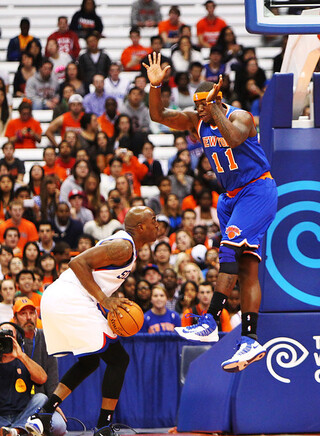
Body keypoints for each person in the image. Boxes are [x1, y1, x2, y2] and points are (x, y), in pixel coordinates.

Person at [144, 53, 278, 372]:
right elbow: (159, 114)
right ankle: (250, 339)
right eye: (198, 103)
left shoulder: (241, 116)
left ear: (218, 98)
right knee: (245, 267)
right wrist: (155, 85)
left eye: (205, 102)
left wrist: (215, 105)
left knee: (229, 248)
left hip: (257, 189)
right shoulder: (196, 120)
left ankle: (210, 320)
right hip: (230, 197)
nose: (200, 107)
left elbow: (231, 137)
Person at [25, 207, 158, 435]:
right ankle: (103, 427)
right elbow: (77, 263)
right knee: (118, 360)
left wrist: (105, 299)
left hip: (62, 299)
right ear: (141, 227)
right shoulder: (124, 246)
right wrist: (104, 300)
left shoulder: (126, 246)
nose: (158, 224)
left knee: (90, 362)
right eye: (154, 220)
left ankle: (43, 415)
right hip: (69, 299)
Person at [12, 298, 67, 436]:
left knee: (59, 425)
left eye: (32, 312)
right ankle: (25, 429)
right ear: (15, 318)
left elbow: (53, 379)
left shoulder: (46, 338)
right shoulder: (10, 341)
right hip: (15, 405)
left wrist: (54, 404)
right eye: (23, 313)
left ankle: (17, 430)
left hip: (41, 404)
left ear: (37, 315)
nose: (29, 317)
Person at [0, 321, 48, 436]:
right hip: (1, 416)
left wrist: (21, 355)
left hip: (23, 413)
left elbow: (42, 378)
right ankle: (18, 430)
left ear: (18, 340)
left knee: (41, 397)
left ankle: (14, 430)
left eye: (9, 337)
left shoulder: (24, 361)